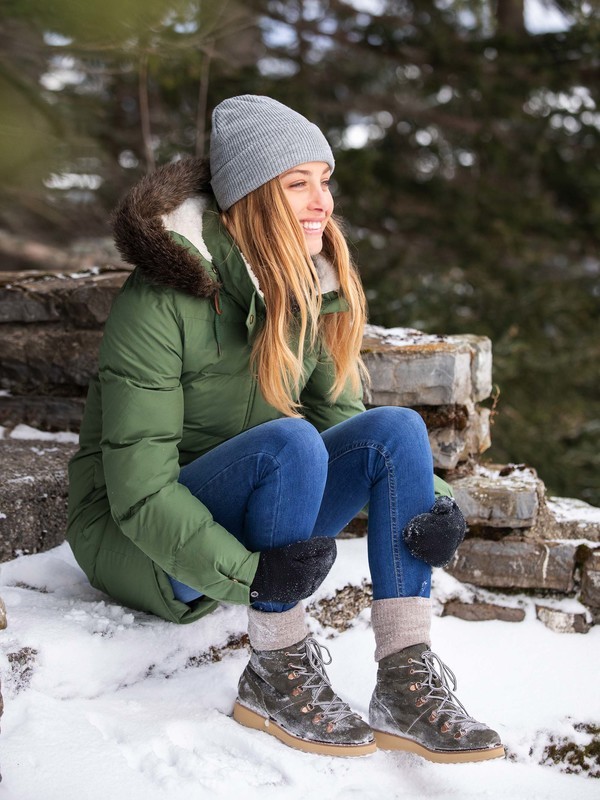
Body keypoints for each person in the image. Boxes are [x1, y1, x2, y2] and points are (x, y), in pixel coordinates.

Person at [67, 94, 504, 762]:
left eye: (324, 182)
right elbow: (138, 493)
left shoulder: (302, 290)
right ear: (251, 198)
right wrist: (252, 577)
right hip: (138, 546)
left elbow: (351, 426)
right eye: (298, 184)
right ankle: (276, 668)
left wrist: (435, 505)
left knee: (396, 429)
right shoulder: (160, 301)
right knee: (291, 441)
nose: (321, 202)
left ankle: (405, 679)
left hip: (261, 519)